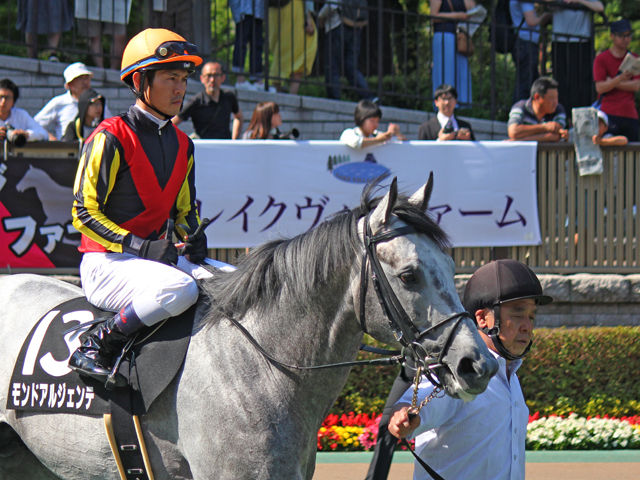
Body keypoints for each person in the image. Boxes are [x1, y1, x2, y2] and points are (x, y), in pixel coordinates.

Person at [68, 28, 214, 386]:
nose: (180, 89)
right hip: (105, 263)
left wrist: (193, 237)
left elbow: (184, 213)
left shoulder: (183, 144)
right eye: (170, 78)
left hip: (150, 261)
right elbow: (83, 213)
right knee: (182, 290)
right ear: (139, 80)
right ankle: (99, 343)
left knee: (228, 283)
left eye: (183, 79)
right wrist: (140, 246)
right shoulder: (110, 136)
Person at [387, 259, 552, 480]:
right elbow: (424, 401)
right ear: (483, 318)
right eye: (517, 313)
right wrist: (407, 413)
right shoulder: (459, 370)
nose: (527, 326)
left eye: (531, 316)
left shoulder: (510, 374)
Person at [549, 0, 604, 116]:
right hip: (560, 42)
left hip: (581, 43)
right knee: (561, 81)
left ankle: (580, 117)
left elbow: (599, 7)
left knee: (580, 82)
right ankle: (562, 115)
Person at [35, 62, 112, 141]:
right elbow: (35, 124)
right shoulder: (58, 102)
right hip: (66, 149)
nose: (85, 82)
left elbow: (111, 126)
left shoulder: (98, 102)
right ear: (69, 84)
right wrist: (51, 138)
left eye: (86, 78)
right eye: (80, 79)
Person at [593, 19, 640, 142]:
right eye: (621, 35)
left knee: (632, 155)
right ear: (612, 36)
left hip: (630, 113)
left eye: (628, 35)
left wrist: (612, 82)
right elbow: (600, 87)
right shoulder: (601, 59)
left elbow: (636, 85)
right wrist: (620, 79)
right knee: (608, 151)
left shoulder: (634, 58)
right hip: (608, 113)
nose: (626, 39)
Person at [317, 0, 374, 101]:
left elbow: (332, 4)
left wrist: (320, 17)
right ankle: (368, 97)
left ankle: (334, 99)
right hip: (356, 28)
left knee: (332, 65)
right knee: (351, 67)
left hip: (337, 25)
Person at [172, 61, 243, 139]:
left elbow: (239, 117)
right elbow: (173, 123)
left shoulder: (229, 97)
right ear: (202, 79)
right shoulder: (196, 101)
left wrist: (234, 140)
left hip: (225, 147)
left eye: (216, 75)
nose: (212, 80)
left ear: (223, 78)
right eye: (209, 76)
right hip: (204, 147)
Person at [429, 0, 475, 106]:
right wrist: (457, 16)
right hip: (444, 35)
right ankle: (444, 103)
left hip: (460, 39)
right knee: (445, 72)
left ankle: (459, 104)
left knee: (461, 72)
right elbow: (434, 16)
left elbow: (472, 9)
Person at [268, 0, 317, 95]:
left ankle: (276, 88)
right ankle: (290, 94)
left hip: (274, 10)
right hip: (293, 8)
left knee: (281, 48)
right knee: (303, 49)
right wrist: (309, 16)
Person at [510, 0, 552, 102]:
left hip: (524, 42)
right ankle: (520, 111)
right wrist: (545, 16)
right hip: (526, 42)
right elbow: (531, 21)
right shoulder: (525, 2)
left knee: (528, 79)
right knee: (525, 82)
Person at [507, 76, 569, 142]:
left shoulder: (558, 109)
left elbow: (555, 136)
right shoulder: (520, 107)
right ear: (537, 97)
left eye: (556, 98)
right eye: (551, 98)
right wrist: (545, 127)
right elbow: (513, 131)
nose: (555, 102)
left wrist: (520, 140)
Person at [74, 0, 129, 69]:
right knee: (94, 37)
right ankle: (101, 68)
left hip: (117, 5)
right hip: (92, 5)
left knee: (119, 36)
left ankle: (112, 70)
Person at [229, 0, 266, 90]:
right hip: (243, 10)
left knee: (257, 44)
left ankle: (258, 80)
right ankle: (240, 79)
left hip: (258, 10)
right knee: (241, 43)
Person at [340, 99, 405, 149]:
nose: (376, 125)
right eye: (372, 121)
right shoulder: (349, 133)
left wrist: (395, 133)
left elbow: (400, 143)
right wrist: (378, 140)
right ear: (361, 118)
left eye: (377, 121)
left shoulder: (376, 134)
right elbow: (356, 143)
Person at [0, 78, 48, 144]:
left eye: (7, 98)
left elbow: (43, 134)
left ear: (13, 101)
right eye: (1, 97)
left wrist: (26, 135)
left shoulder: (21, 115)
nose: (3, 101)